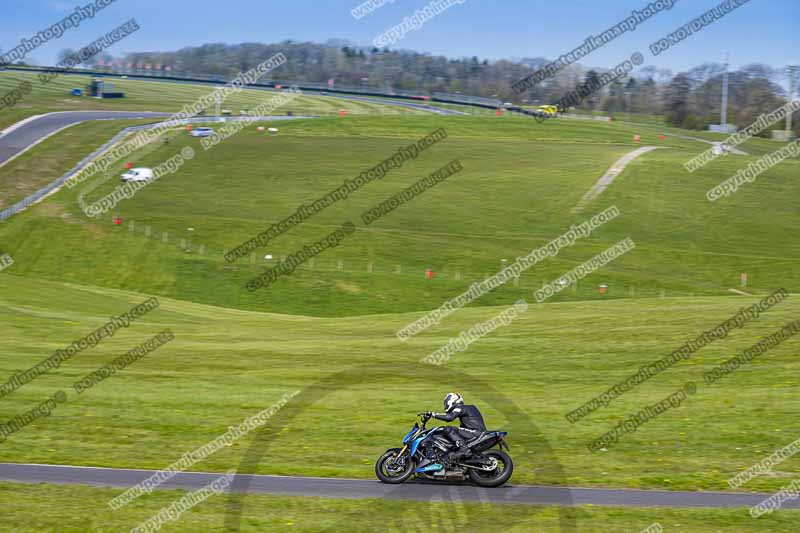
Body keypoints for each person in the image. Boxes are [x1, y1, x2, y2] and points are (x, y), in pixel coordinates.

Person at [424, 392, 487, 464]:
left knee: (447, 429)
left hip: (475, 432)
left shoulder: (461, 407)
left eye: (446, 403)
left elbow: (449, 417)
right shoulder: (468, 409)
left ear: (452, 401)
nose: (446, 405)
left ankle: (464, 449)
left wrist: (433, 414)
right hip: (476, 432)